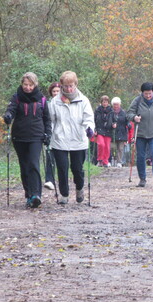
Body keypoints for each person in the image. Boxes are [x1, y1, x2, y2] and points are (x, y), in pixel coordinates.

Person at [3, 72, 51, 208]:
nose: (28, 88)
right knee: (24, 167)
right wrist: (7, 116)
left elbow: (47, 118)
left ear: (35, 85)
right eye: (25, 84)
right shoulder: (17, 97)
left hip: (36, 136)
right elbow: (10, 110)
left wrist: (48, 133)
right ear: (22, 84)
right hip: (19, 137)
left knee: (33, 164)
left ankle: (36, 195)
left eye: (30, 85)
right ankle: (28, 195)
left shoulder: (41, 99)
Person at [50, 71, 95, 204]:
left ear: (75, 84)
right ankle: (64, 194)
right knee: (62, 168)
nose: (69, 89)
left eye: (71, 86)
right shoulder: (55, 101)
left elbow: (88, 118)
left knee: (77, 168)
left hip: (78, 139)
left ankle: (79, 188)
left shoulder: (83, 100)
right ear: (62, 86)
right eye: (66, 86)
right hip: (60, 139)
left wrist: (89, 128)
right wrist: (48, 133)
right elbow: (51, 121)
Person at [43, 82, 61, 191]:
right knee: (50, 157)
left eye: (58, 91)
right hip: (50, 134)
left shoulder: (66, 103)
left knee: (61, 160)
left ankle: (61, 180)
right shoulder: (47, 104)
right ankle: (49, 180)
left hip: (62, 136)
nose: (56, 93)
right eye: (54, 91)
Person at [110, 97, 131, 168]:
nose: (116, 106)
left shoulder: (124, 112)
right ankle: (113, 159)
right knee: (112, 147)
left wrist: (128, 124)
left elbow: (127, 120)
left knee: (120, 148)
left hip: (122, 133)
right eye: (114, 105)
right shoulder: (110, 112)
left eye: (117, 104)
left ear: (120, 104)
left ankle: (119, 162)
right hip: (112, 133)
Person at [94, 95, 112, 167]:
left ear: (108, 102)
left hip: (108, 130)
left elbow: (114, 119)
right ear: (101, 102)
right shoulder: (97, 110)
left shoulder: (111, 111)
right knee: (101, 144)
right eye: (103, 102)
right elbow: (94, 120)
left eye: (106, 102)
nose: (105, 103)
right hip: (100, 130)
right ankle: (100, 160)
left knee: (107, 146)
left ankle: (105, 161)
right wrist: (94, 129)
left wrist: (114, 124)